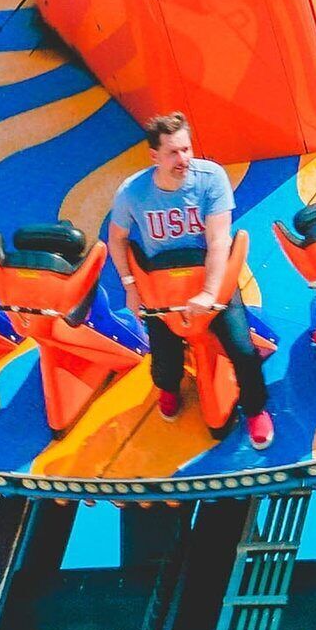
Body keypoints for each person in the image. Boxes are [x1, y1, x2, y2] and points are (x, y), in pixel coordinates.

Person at [102, 112, 274, 447]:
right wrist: (130, 286)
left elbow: (219, 240)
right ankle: (168, 389)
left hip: (210, 278)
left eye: (186, 149)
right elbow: (117, 238)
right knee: (164, 360)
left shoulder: (211, 179)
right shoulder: (132, 192)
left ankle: (255, 409)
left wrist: (209, 292)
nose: (183, 159)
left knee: (243, 351)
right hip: (162, 288)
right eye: (173, 152)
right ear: (155, 156)